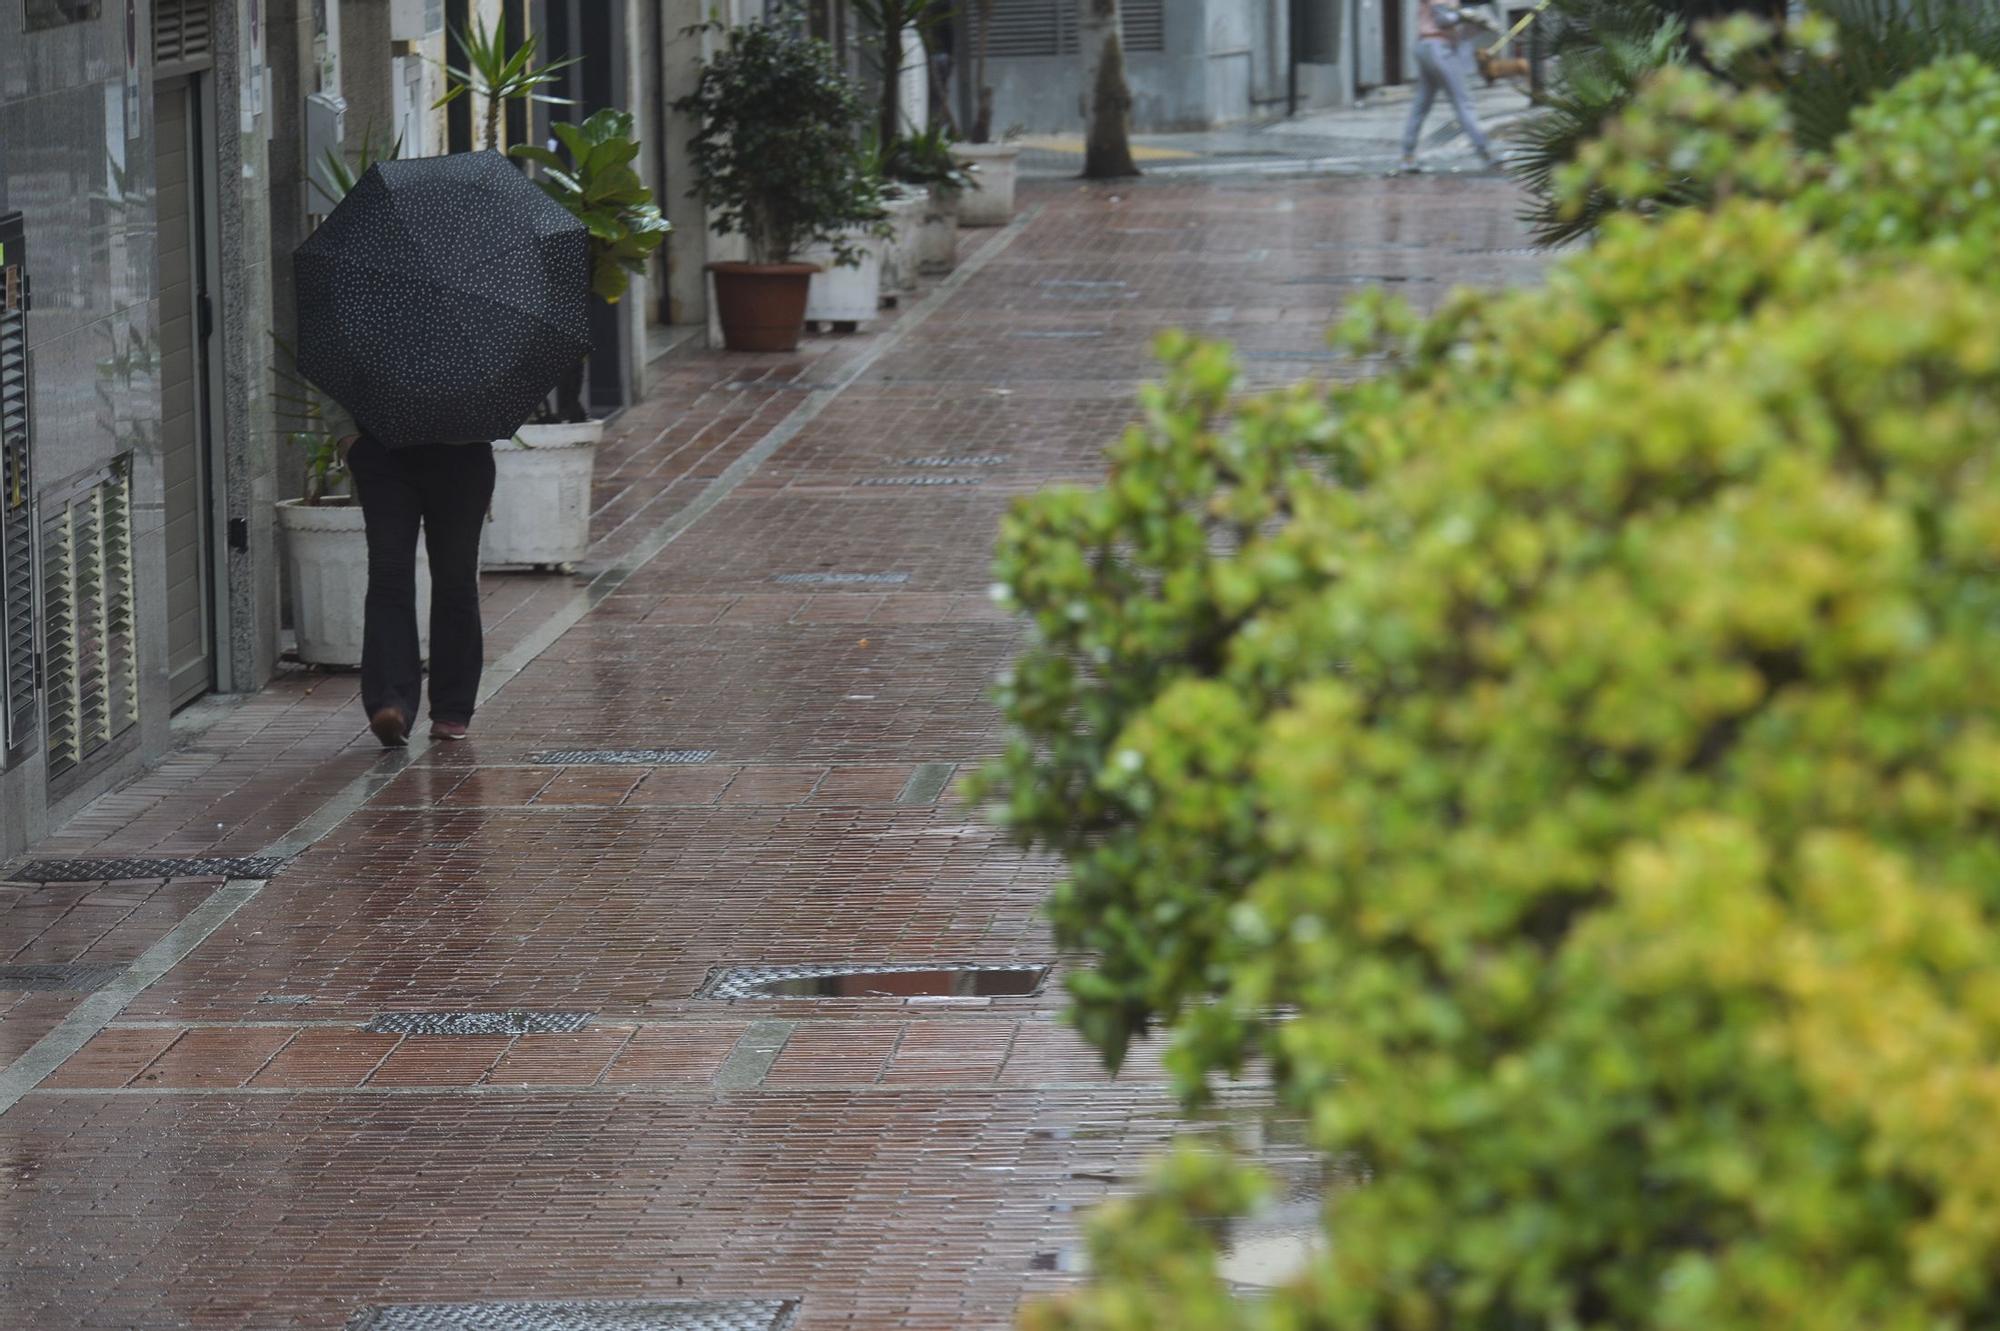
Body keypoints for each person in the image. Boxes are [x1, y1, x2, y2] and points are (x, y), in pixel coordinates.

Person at [342, 433, 495, 747]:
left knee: (456, 577)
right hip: (381, 452)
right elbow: (336, 386)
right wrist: (347, 436)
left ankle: (452, 707)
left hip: (463, 455)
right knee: (388, 575)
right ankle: (390, 703)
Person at [1400, 0, 1500, 174]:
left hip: (1427, 46)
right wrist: (1467, 16)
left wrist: (1478, 23)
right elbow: (1443, 20)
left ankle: (1407, 156)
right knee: (1463, 102)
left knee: (1421, 104)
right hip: (1438, 48)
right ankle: (1486, 152)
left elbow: (1456, 28)